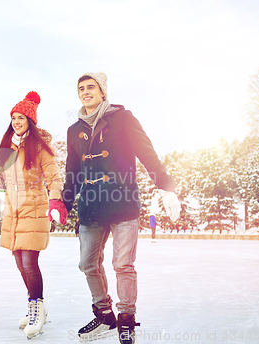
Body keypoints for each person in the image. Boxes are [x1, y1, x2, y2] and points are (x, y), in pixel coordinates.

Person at [62, 72, 180, 343]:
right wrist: (63, 202)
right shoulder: (74, 130)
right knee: (87, 263)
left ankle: (126, 319)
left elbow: (147, 152)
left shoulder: (123, 119)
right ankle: (105, 315)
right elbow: (73, 171)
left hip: (122, 202)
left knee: (123, 264)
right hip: (91, 207)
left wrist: (166, 187)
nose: (85, 91)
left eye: (91, 87)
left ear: (103, 92)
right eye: (81, 88)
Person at [0, 91, 67, 339]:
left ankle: (35, 308)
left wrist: (55, 200)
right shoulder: (9, 148)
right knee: (20, 263)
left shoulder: (41, 147)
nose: (17, 122)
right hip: (14, 211)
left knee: (30, 263)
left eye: (21, 117)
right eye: (14, 117)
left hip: (34, 209)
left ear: (30, 121)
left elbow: (53, 177)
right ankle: (39, 305)